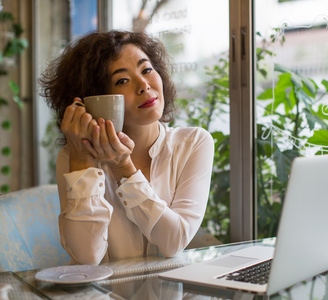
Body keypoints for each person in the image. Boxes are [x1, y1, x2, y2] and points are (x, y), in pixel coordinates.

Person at [39, 30, 214, 265]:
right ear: (95, 100)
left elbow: (175, 241)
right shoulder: (73, 157)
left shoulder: (193, 143)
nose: (144, 85)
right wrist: (82, 162)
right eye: (122, 80)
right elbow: (87, 257)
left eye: (147, 70)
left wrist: (124, 167)